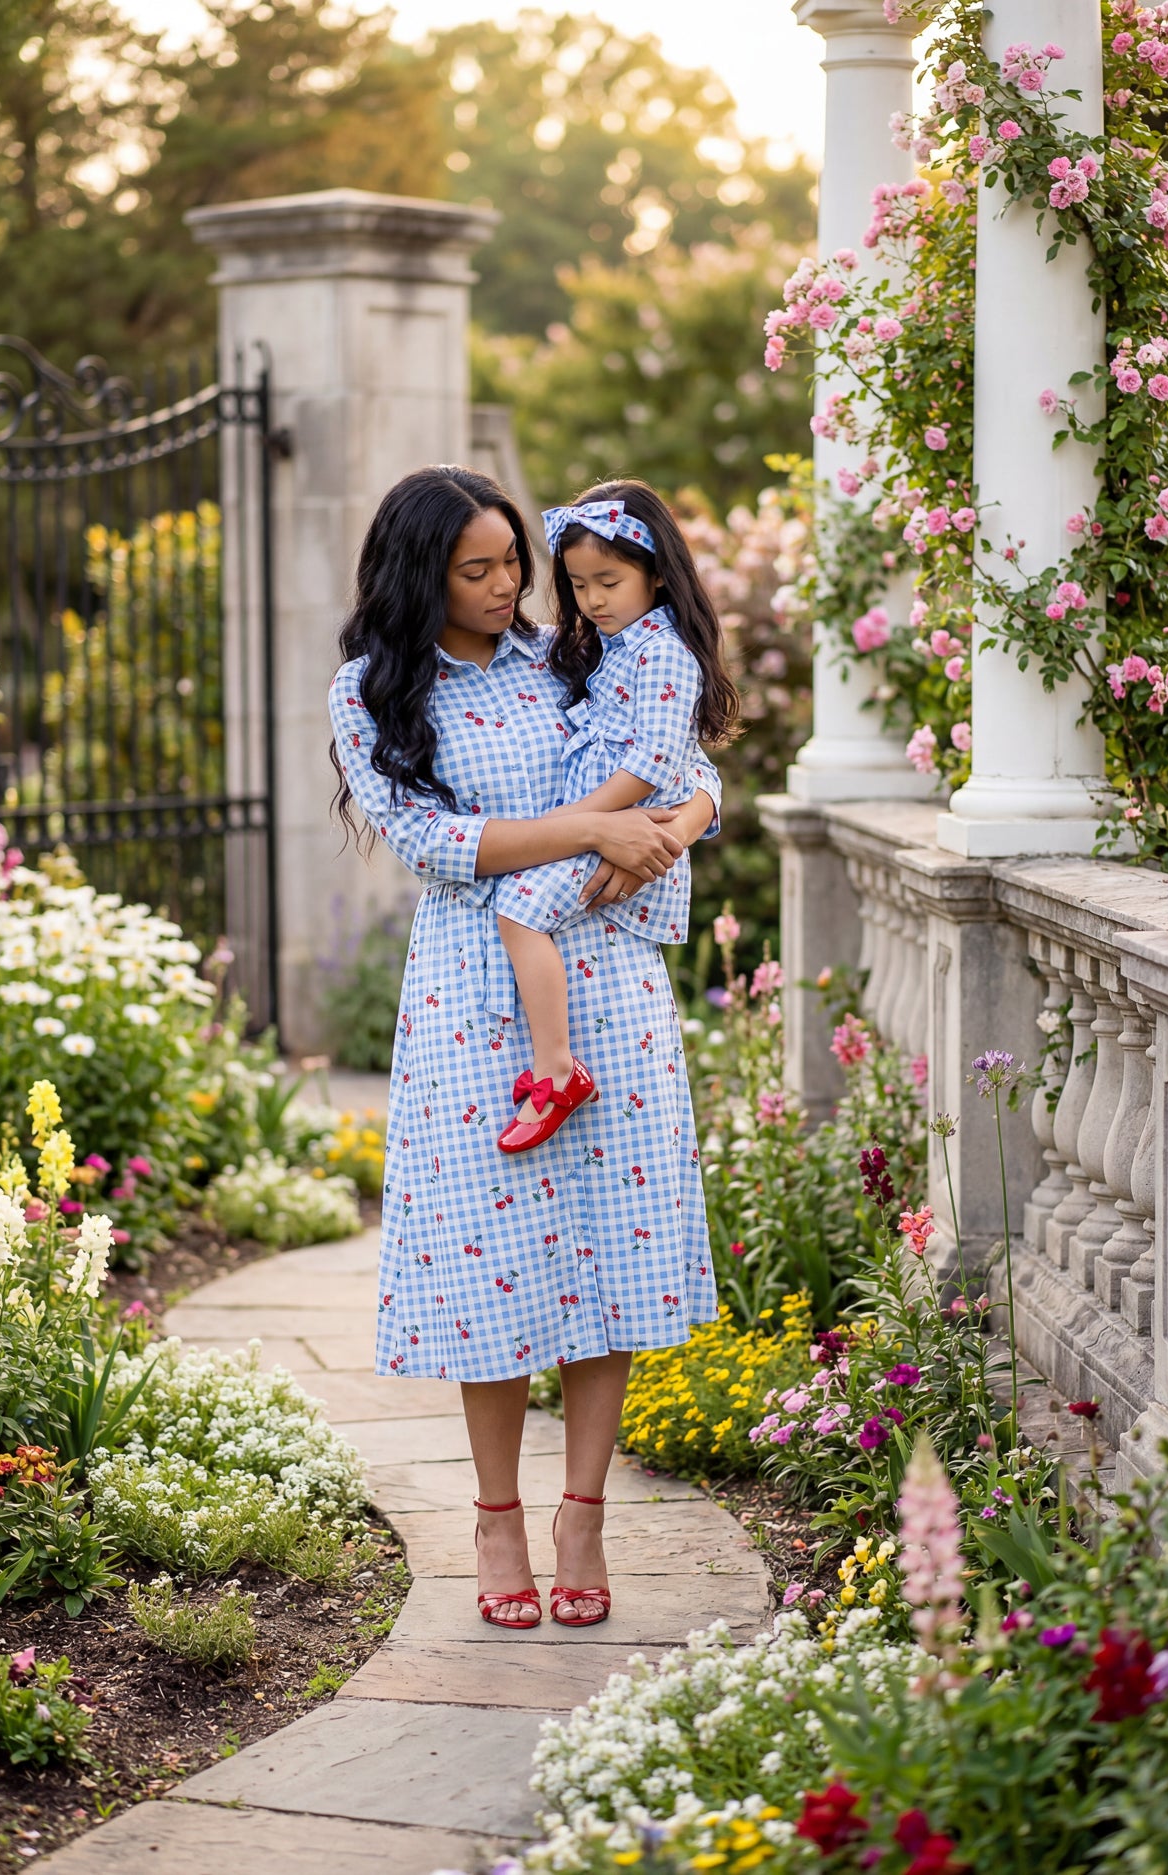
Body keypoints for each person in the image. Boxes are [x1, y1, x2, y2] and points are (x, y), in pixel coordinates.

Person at [328, 465, 720, 1632]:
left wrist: (678, 822)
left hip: (610, 985)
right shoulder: (372, 693)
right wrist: (595, 825)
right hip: (470, 998)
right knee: (484, 1266)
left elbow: (685, 759)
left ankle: (583, 1515)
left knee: (612, 1258)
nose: (510, 588)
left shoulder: (571, 652)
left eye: (514, 563)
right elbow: (430, 839)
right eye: (478, 570)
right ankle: (496, 1520)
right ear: (420, 574)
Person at [493, 480, 739, 1153]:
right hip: (607, 830)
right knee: (520, 912)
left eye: (609, 580)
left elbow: (660, 762)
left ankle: (555, 1070)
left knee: (518, 910)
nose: (593, 600)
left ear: (657, 574)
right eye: (577, 584)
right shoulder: (612, 645)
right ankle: (555, 1065)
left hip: (627, 830)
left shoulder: (661, 652)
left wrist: (579, 821)